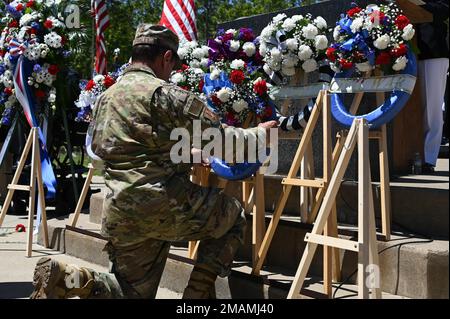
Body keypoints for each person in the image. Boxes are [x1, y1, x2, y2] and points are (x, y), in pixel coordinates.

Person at [30, 24, 277, 299]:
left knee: (131, 293)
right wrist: (260, 134)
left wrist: (178, 154)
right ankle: (195, 296)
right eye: (172, 66)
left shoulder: (105, 98)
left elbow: (105, 150)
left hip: (120, 211)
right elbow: (222, 143)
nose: (171, 73)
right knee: (232, 215)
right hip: (164, 205)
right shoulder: (165, 95)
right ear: (166, 58)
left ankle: (72, 278)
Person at [417, 0, 449, 173]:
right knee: (416, 109)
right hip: (408, 51)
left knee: (432, 109)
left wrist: (418, 4)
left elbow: (444, 10)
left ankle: (428, 158)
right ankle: (413, 154)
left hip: (433, 52)